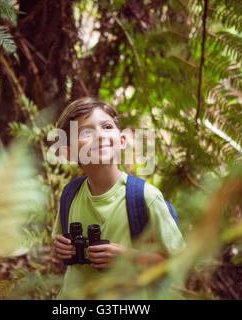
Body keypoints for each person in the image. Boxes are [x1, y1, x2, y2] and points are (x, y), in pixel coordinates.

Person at [51, 97, 185, 299]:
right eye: (86, 131)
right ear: (69, 152)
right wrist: (61, 248)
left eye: (106, 127)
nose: (99, 135)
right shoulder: (71, 195)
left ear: (122, 141)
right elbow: (59, 242)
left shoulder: (145, 197)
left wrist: (129, 257)